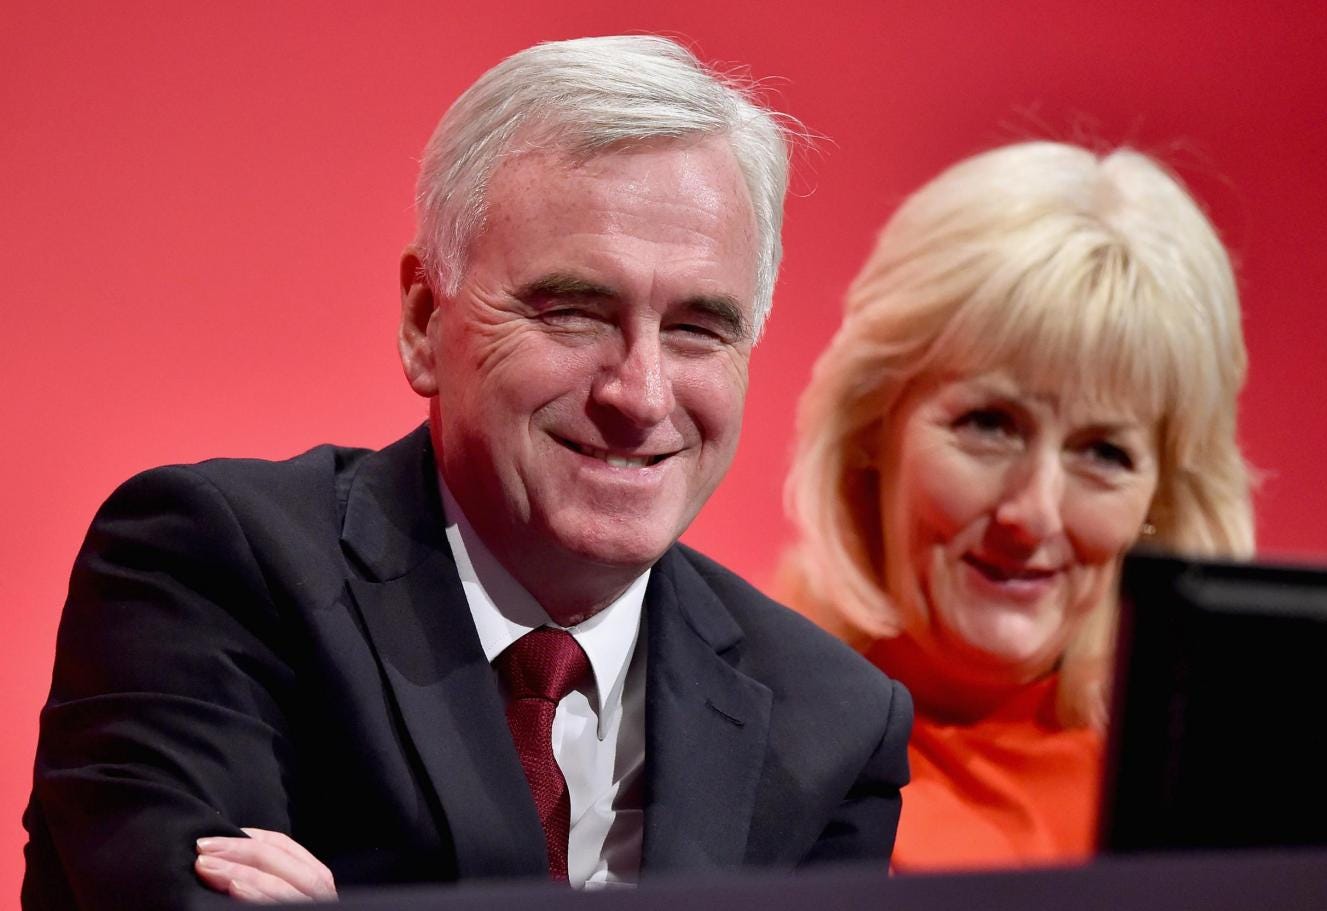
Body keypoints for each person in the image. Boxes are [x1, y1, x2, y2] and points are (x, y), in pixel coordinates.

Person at [23, 35, 912, 909]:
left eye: (697, 329)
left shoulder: (829, 724)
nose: (640, 394)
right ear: (423, 320)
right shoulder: (211, 568)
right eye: (572, 311)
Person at [778, 141, 1253, 870]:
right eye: (990, 424)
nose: (1033, 514)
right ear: (874, 428)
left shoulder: (1218, 804)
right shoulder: (718, 729)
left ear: (1159, 498)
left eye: (1104, 453)